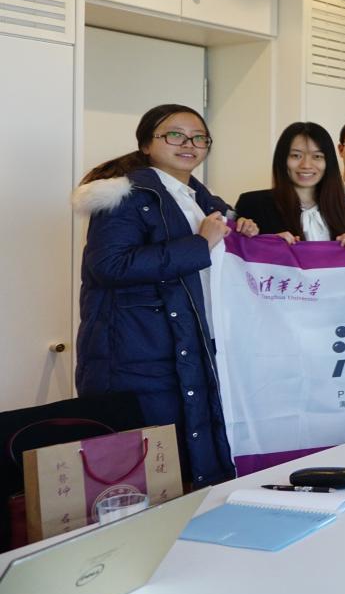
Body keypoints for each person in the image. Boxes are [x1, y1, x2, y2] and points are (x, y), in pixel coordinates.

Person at [72, 104, 261, 486]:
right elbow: (109, 266)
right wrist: (199, 244)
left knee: (186, 465)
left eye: (199, 137)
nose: (188, 144)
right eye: (175, 134)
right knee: (142, 477)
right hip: (137, 353)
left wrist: (242, 228)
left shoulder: (199, 199)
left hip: (186, 345)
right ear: (146, 143)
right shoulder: (126, 194)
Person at [234, 122, 345, 247]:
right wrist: (269, 244)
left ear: (328, 163)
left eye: (317, 156)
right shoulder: (253, 204)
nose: (306, 165)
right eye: (296, 156)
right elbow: (239, 252)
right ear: (282, 159)